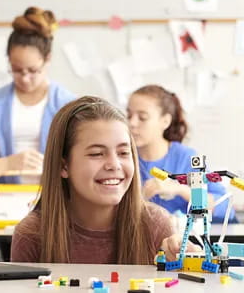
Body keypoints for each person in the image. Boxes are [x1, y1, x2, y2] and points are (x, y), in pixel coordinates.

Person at [11, 96, 197, 264]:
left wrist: (183, 263)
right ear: (63, 166)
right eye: (97, 154)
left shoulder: (155, 225)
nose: (114, 165)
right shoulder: (32, 234)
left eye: (124, 153)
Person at [0, 6, 75, 185]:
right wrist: (7, 165)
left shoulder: (67, 105)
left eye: (33, 70)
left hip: (54, 203)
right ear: (8, 60)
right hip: (3, 204)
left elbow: (80, 163)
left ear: (48, 59)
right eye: (16, 70)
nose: (24, 78)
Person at [126, 85, 237, 223]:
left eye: (142, 117)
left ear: (165, 121)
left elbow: (226, 208)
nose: (131, 123)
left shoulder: (186, 158)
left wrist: (180, 190)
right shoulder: (123, 157)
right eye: (129, 115)